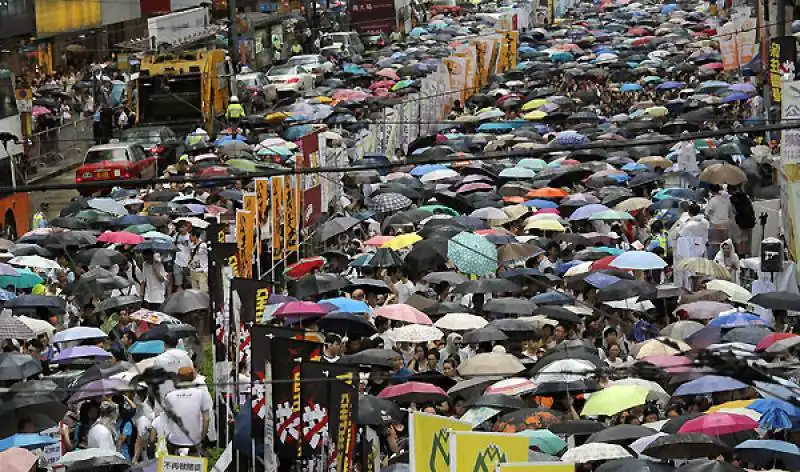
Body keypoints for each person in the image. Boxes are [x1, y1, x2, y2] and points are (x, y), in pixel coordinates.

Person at [162, 367, 212, 455]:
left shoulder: (169, 396)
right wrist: (202, 437)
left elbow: (165, 420)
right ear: (193, 377)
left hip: (174, 440)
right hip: (194, 441)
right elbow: (206, 419)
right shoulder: (200, 394)